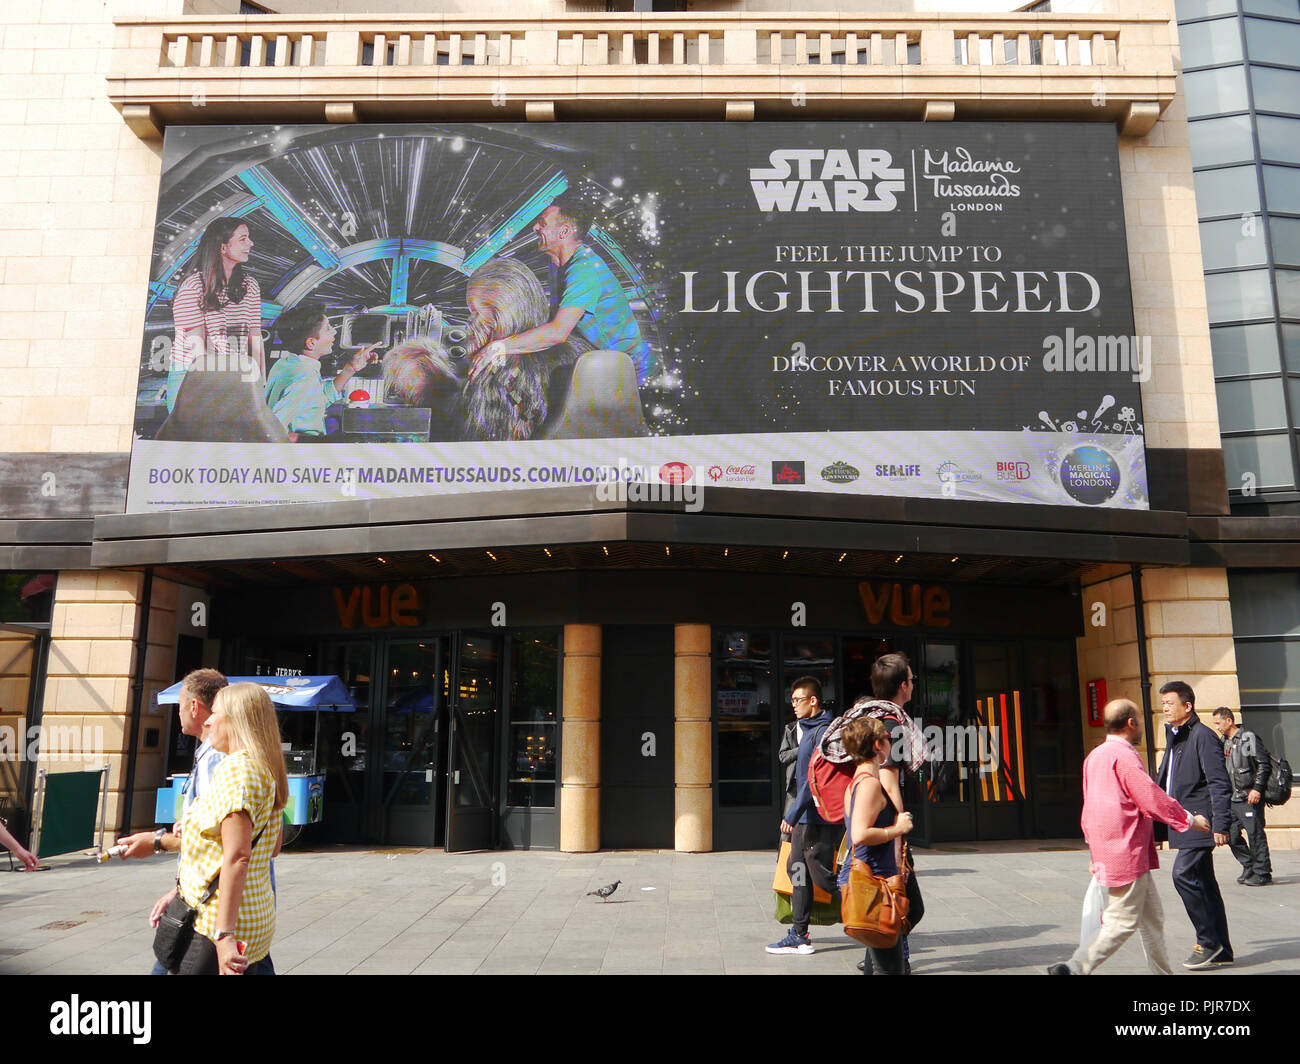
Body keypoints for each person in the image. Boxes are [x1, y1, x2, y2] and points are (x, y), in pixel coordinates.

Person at [1047, 698, 1210, 975]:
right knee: (1121, 921)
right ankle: (1073, 969)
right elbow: (1150, 797)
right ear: (1131, 723)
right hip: (1127, 849)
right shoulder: (1123, 757)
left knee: (1152, 919)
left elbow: (1091, 808)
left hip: (1117, 848)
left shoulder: (1095, 756)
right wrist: (1190, 820)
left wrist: (1094, 852)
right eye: (1139, 721)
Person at [470, 192, 658, 389]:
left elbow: (557, 332)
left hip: (630, 373)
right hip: (602, 364)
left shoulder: (584, 269)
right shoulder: (557, 263)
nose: (535, 227)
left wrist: (498, 348)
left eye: (542, 223)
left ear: (564, 232)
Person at [116, 668, 228, 975]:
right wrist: (178, 890)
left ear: (195, 707)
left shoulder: (218, 759)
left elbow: (225, 845)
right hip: (211, 899)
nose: (177, 714)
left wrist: (155, 842)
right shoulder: (208, 755)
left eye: (179, 706)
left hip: (213, 907)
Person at [172, 682, 287, 975]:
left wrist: (224, 936)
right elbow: (270, 847)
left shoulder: (237, 769)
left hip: (219, 922)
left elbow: (237, 856)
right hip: (255, 914)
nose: (208, 720)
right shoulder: (263, 766)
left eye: (216, 713)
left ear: (237, 720)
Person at [1156, 680, 1233, 969]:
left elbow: (1219, 783)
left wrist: (1221, 824)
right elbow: (1166, 778)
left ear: (1187, 706)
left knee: (1183, 875)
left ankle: (1208, 941)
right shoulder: (1176, 735)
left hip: (1201, 822)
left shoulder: (1202, 736)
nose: (1164, 708)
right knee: (1206, 885)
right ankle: (1222, 948)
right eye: (1163, 703)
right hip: (1183, 822)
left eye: (1170, 703)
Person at [766, 676, 840, 956]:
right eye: (792, 700)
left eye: (798, 700)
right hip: (804, 818)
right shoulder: (806, 729)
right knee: (796, 871)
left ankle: (872, 913)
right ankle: (799, 933)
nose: (793, 705)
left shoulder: (821, 731)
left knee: (822, 877)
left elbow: (813, 780)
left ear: (813, 701)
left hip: (814, 819)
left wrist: (793, 813)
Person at [167, 218, 265, 413]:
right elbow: (197, 349)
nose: (250, 244)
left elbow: (255, 336)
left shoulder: (250, 286)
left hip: (230, 372)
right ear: (222, 247)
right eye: (243, 239)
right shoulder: (193, 287)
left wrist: (260, 379)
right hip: (192, 375)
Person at [842, 715, 914, 975]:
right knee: (889, 969)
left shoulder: (859, 782)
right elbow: (860, 834)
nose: (890, 742)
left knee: (882, 964)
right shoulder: (870, 784)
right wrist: (897, 828)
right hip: (874, 884)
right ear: (876, 744)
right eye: (886, 738)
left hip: (874, 881)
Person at [266, 302, 379, 440]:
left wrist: (350, 368)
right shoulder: (304, 376)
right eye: (328, 329)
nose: (334, 332)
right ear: (311, 343)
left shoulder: (286, 363)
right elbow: (274, 426)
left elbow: (316, 399)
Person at [1210, 707, 1273, 887]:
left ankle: (1262, 873)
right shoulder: (1224, 742)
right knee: (1230, 834)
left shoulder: (1248, 738)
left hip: (1248, 796)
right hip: (1232, 798)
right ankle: (1249, 865)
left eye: (1218, 723)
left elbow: (1263, 764)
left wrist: (1257, 788)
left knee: (1255, 835)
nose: (1217, 727)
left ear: (1229, 721)